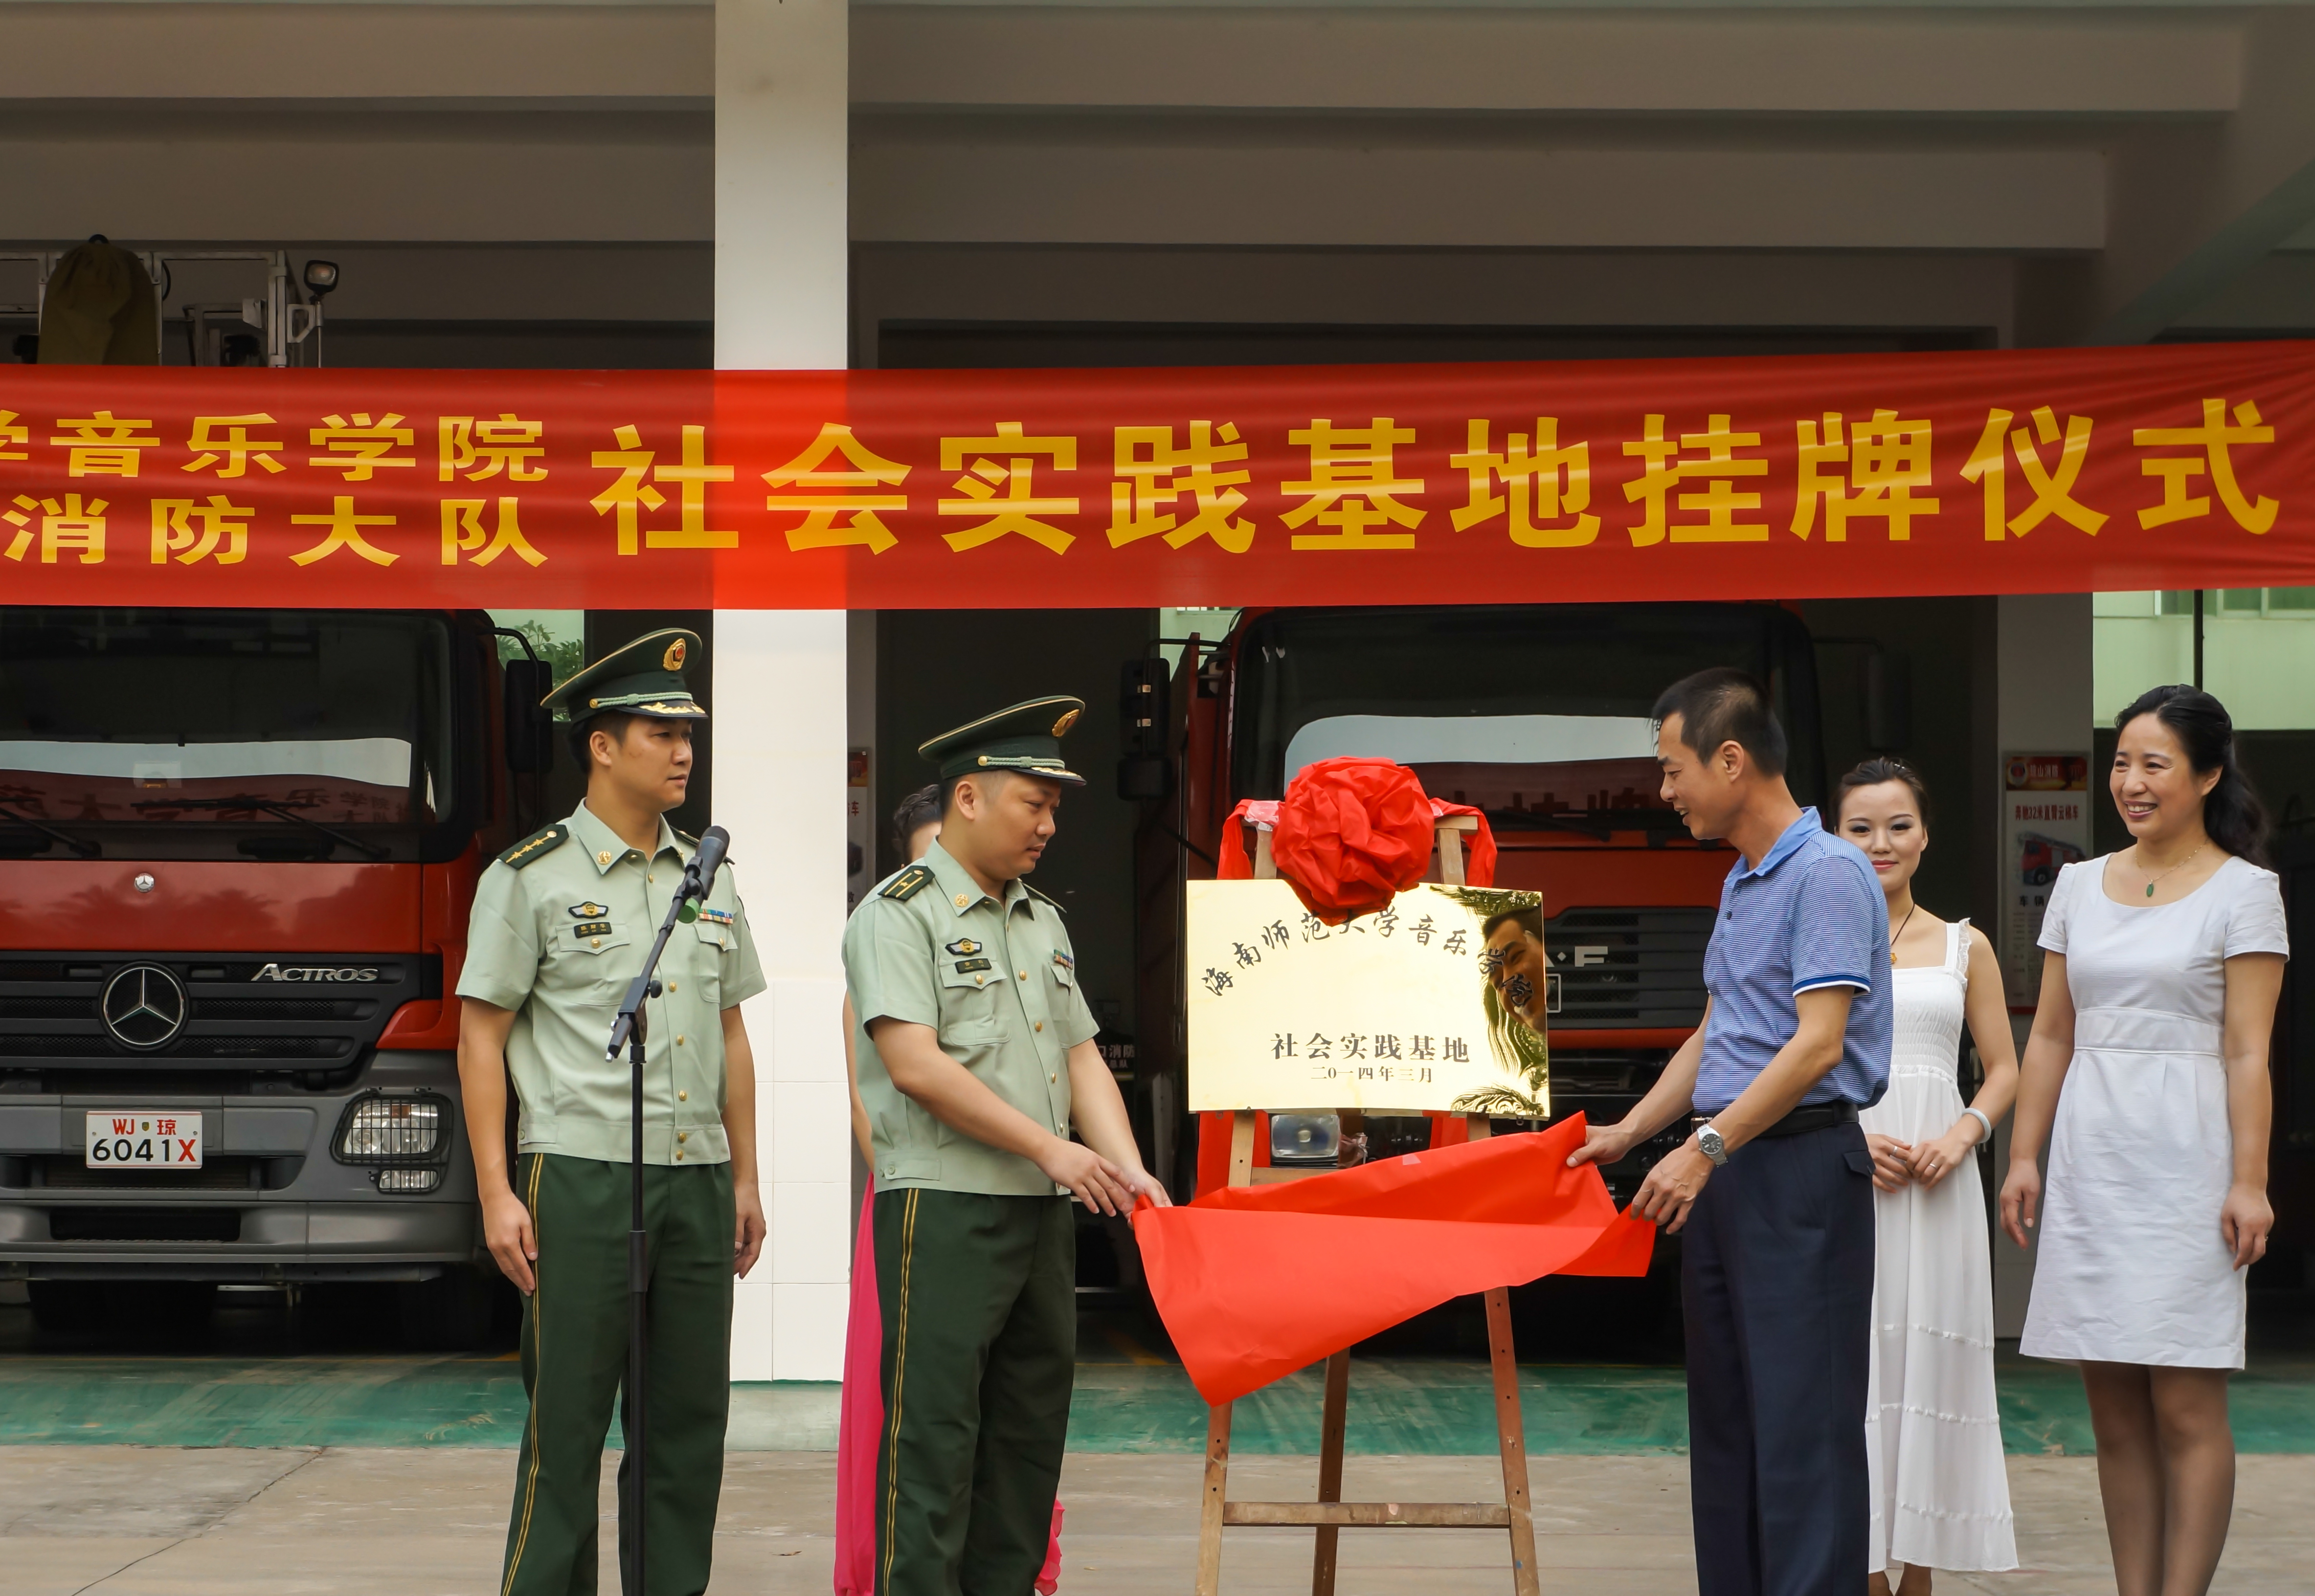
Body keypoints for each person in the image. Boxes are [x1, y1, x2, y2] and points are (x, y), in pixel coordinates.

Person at [454, 627, 767, 1596]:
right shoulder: (528, 878)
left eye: (689, 734)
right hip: (580, 1179)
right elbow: (481, 1037)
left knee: (685, 1434)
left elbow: (730, 1036)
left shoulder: (706, 876)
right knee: (568, 1431)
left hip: (697, 1179)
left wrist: (747, 1176)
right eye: (659, 731)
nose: (682, 751)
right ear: (601, 744)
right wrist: (498, 1191)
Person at [1568, 666, 1890, 1596]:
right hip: (1731, 1167)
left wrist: (1704, 1150)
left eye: (1674, 771)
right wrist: (1630, 1133)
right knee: (1731, 1424)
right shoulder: (1744, 880)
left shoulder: (1827, 874)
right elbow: (1719, 1035)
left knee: (1802, 1427)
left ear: (1732, 760)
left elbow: (1816, 1046)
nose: (1664, 792)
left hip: (1794, 1170)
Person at [842, 697, 1170, 1596]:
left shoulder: (1041, 920)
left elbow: (1080, 1056)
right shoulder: (897, 913)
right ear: (971, 799)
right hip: (943, 1207)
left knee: (1028, 1436)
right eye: (1034, 803)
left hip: (1038, 1213)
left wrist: (1127, 1165)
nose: (1050, 825)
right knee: (934, 1437)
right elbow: (913, 1064)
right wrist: (1051, 1149)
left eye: (1055, 807)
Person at [2001, 686, 2289, 1596]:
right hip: (2096, 1161)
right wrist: (2021, 1155)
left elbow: (2247, 1051)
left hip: (2188, 1162)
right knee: (2113, 1408)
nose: (2129, 780)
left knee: (2184, 1404)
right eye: (2121, 761)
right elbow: (2049, 1034)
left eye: (2152, 763)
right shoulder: (2079, 882)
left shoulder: (2248, 894)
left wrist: (2249, 1182)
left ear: (2206, 776)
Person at [1834, 758, 2020, 1593]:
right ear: (1833, 837)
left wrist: (1965, 1134)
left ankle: (1918, 1578)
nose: (1880, 843)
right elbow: (1787, 1059)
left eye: (1897, 826)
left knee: (1931, 1366)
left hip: (1940, 1184)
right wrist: (1842, 1142)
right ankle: (1864, 1570)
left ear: (1925, 835)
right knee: (1860, 1367)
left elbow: (2005, 1066)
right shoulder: (1818, 936)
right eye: (1860, 828)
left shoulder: (1964, 943)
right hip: (1848, 1173)